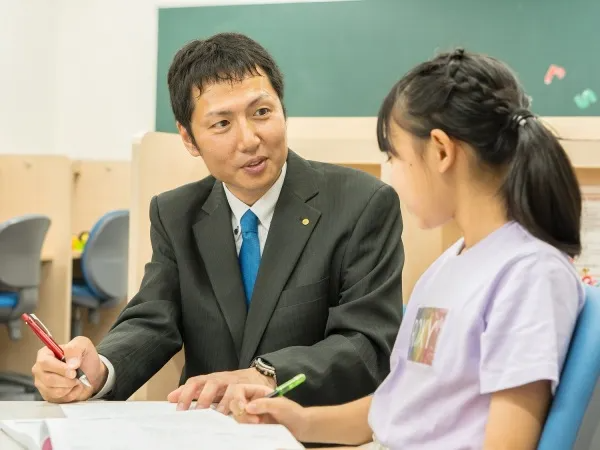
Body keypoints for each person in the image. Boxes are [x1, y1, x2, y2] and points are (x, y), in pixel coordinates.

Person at [227, 49, 585, 450]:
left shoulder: (529, 274)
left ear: (441, 151)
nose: (390, 175)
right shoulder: (449, 266)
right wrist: (297, 420)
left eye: (393, 156)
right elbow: (397, 409)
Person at [30, 32, 404, 411]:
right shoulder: (176, 214)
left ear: (282, 110)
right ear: (189, 139)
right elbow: (152, 321)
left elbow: (367, 342)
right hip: (207, 429)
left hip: (313, 431)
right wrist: (99, 369)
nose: (249, 140)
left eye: (262, 112)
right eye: (222, 124)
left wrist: (265, 374)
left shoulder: (362, 203)